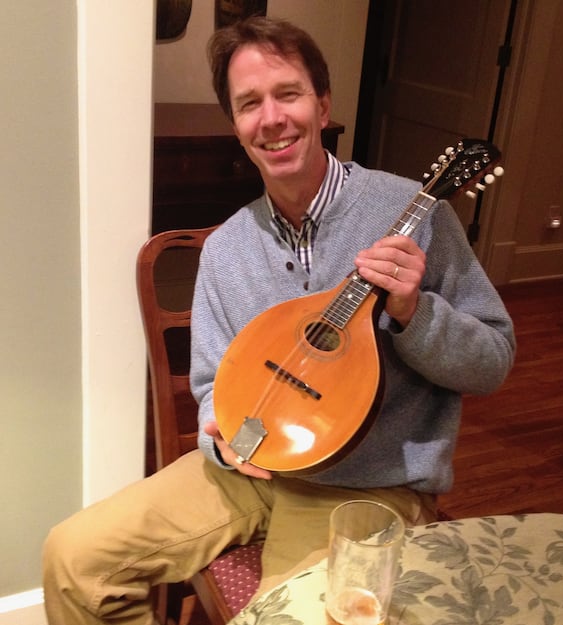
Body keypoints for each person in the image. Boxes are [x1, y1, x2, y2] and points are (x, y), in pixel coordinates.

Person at [43, 16, 515, 625]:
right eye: (248, 104)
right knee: (74, 557)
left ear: (322, 105)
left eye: (287, 94)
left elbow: (493, 363)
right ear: (236, 126)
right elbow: (212, 384)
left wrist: (414, 312)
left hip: (364, 485)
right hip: (250, 470)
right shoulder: (228, 248)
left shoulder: (413, 214)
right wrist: (224, 436)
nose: (271, 118)